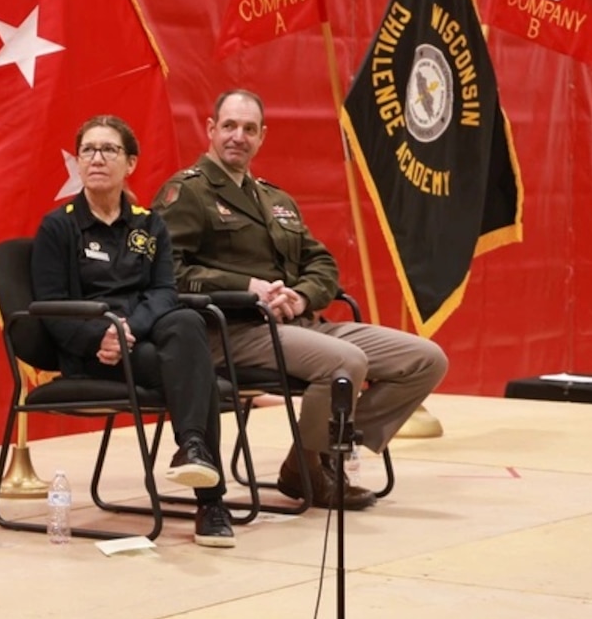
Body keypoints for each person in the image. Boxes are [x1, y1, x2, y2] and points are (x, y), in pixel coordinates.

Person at [153, 90, 448, 510]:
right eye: (230, 126)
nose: (239, 136)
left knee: (426, 359)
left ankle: (310, 457)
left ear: (263, 136)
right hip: (232, 330)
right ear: (211, 129)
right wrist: (246, 288)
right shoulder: (187, 193)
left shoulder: (275, 199)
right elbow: (168, 273)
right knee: (344, 362)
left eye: (250, 129)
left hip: (299, 323)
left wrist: (300, 296)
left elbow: (323, 264)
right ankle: (314, 468)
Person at [31, 115, 235, 548]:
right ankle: (211, 500)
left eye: (109, 150)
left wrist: (128, 329)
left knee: (188, 321)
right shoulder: (59, 226)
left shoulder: (149, 224)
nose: (97, 159)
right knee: (196, 375)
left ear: (131, 164)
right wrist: (100, 337)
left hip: (139, 338)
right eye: (88, 150)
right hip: (90, 355)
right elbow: (50, 308)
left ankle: (194, 448)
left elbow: (164, 290)